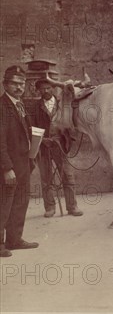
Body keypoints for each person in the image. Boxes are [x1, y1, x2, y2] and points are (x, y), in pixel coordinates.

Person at [1, 66, 38, 257]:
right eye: (15, 83)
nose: (19, 87)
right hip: (9, 166)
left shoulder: (20, 104)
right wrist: (6, 168)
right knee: (4, 204)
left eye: (22, 83)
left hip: (24, 163)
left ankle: (14, 240)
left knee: (20, 201)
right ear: (5, 84)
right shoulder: (2, 106)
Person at [31, 79, 83, 218]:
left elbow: (73, 122)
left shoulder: (63, 104)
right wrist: (43, 140)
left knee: (68, 175)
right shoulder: (35, 107)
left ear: (53, 88)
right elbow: (31, 127)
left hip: (61, 145)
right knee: (46, 178)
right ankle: (50, 208)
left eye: (48, 88)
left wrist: (68, 140)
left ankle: (72, 207)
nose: (46, 91)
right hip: (44, 147)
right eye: (42, 89)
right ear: (38, 90)